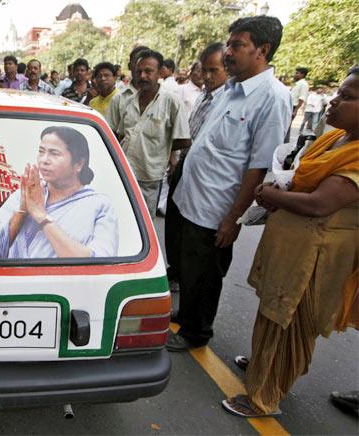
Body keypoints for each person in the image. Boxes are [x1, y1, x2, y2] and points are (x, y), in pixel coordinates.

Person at [222, 67, 359, 418]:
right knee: (273, 313)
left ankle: (263, 398)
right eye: (339, 93)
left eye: (347, 97)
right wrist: (280, 193)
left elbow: (320, 204)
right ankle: (263, 366)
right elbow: (302, 182)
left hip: (316, 257)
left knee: (289, 320)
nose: (334, 101)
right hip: (292, 249)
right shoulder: (336, 139)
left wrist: (271, 194)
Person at [167, 16, 292, 352]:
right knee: (190, 267)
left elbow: (260, 164)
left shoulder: (272, 97)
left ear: (262, 51)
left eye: (237, 45)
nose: (227, 52)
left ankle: (196, 333)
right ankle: (187, 314)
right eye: (229, 43)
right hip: (191, 196)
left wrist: (232, 217)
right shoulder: (231, 88)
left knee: (206, 274)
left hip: (216, 207)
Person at [0, 126, 118, 259]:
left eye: (54, 153)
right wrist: (22, 212)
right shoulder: (22, 197)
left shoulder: (99, 206)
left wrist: (41, 216)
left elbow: (99, 264)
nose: (44, 160)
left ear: (79, 163)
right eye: (41, 152)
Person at [165, 42, 228, 297]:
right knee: (175, 228)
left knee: (200, 251)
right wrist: (176, 162)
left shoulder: (227, 99)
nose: (207, 77)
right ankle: (177, 272)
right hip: (186, 166)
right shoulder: (205, 94)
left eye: (214, 71)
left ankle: (194, 315)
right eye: (204, 71)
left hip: (210, 184)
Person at [110, 49, 191, 217]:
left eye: (148, 71)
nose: (143, 76)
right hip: (122, 173)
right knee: (120, 218)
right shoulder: (128, 100)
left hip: (149, 177)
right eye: (139, 71)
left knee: (144, 223)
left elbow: (183, 140)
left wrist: (160, 147)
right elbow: (118, 134)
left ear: (160, 72)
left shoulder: (171, 101)